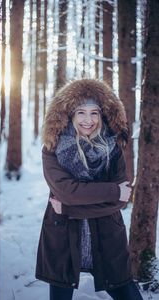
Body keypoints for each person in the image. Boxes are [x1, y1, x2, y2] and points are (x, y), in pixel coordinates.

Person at [35, 79, 143, 300]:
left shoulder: (113, 148)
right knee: (61, 292)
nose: (88, 120)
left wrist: (67, 208)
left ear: (102, 115)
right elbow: (66, 191)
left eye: (94, 113)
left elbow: (121, 201)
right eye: (81, 112)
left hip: (106, 233)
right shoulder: (53, 148)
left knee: (126, 292)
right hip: (63, 233)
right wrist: (111, 191)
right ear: (70, 115)